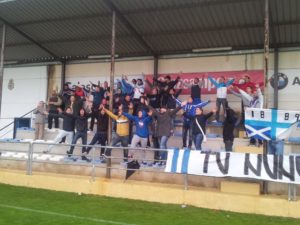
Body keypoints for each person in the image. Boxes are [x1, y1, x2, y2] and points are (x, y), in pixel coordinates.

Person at [146, 100, 187, 167]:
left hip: (166, 132)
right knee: (163, 146)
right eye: (161, 108)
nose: (161, 109)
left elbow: (175, 110)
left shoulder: (169, 113)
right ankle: (165, 161)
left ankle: (161, 159)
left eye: (162, 108)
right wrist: (147, 105)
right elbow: (153, 109)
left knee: (162, 145)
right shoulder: (158, 114)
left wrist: (181, 105)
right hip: (159, 133)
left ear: (165, 109)